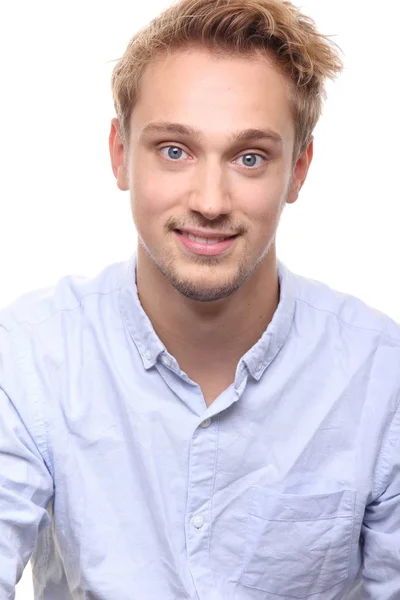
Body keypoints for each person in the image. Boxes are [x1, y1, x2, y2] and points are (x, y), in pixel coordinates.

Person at [1, 0, 399, 597]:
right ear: (119, 154)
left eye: (249, 157)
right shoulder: (29, 357)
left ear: (298, 169)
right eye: (174, 150)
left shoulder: (382, 377)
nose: (210, 200)